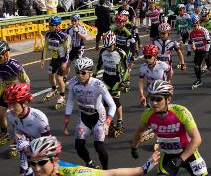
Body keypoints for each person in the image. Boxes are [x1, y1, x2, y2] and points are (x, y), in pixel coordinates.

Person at [131, 80, 208, 176]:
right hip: (168, 154)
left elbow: (197, 139)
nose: (154, 103)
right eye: (151, 98)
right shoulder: (147, 114)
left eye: (158, 99)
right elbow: (140, 131)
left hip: (189, 153)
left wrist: (180, 159)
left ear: (168, 99)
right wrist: (134, 147)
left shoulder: (181, 112)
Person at [64, 57, 116, 169]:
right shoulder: (72, 83)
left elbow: (112, 105)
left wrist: (108, 121)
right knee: (78, 146)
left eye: (83, 72)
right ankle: (90, 163)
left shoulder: (98, 84)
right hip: (84, 116)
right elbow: (70, 101)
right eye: (77, 72)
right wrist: (67, 117)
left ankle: (105, 171)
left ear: (90, 73)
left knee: (99, 147)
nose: (80, 75)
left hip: (99, 117)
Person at [28, 136, 159, 176]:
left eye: (41, 163)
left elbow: (110, 174)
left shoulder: (74, 173)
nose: (36, 168)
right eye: (32, 163)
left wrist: (144, 168)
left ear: (54, 160)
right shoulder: (31, 174)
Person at [4, 83, 50, 176]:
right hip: (25, 145)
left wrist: (25, 147)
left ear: (24, 104)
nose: (11, 109)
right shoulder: (10, 115)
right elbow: (17, 129)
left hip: (40, 150)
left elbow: (47, 149)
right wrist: (18, 142)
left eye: (14, 105)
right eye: (9, 105)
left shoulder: (40, 119)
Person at [93, 31, 129, 136]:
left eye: (110, 46)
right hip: (106, 79)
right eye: (106, 46)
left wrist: (126, 81)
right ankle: (110, 121)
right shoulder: (103, 51)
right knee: (105, 103)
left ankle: (120, 121)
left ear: (114, 43)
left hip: (117, 80)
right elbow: (99, 65)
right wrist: (93, 77)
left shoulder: (121, 53)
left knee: (116, 101)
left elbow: (126, 68)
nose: (108, 49)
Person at [0, 40, 30, 146]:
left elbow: (26, 81)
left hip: (16, 94)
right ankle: (4, 133)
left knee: (17, 117)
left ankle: (22, 138)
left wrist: (25, 96)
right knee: (1, 114)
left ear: (6, 54)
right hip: (5, 91)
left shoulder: (15, 65)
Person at [40, 16, 70, 109]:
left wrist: (65, 62)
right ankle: (53, 89)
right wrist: (42, 59)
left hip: (62, 59)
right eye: (49, 24)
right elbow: (45, 47)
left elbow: (67, 50)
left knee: (59, 78)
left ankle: (62, 95)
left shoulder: (63, 36)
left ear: (57, 26)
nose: (50, 26)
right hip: (54, 58)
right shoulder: (48, 34)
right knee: (50, 75)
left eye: (52, 25)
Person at [188, 15, 211, 89]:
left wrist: (207, 52)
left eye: (195, 26)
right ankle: (199, 80)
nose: (194, 28)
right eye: (192, 26)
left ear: (198, 23)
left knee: (210, 67)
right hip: (198, 51)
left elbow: (208, 42)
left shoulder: (204, 30)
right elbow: (189, 42)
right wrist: (189, 50)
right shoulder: (191, 32)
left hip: (206, 49)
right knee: (196, 66)